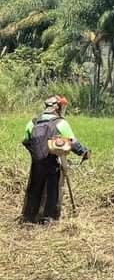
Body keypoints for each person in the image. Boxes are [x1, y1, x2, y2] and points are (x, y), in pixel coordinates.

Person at [21, 95, 91, 224]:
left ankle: (28, 218)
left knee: (35, 188)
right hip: (52, 161)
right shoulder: (60, 123)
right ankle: (49, 218)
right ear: (57, 108)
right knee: (52, 189)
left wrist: (36, 153)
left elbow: (25, 141)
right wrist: (84, 152)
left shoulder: (33, 122)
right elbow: (73, 142)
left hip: (36, 163)